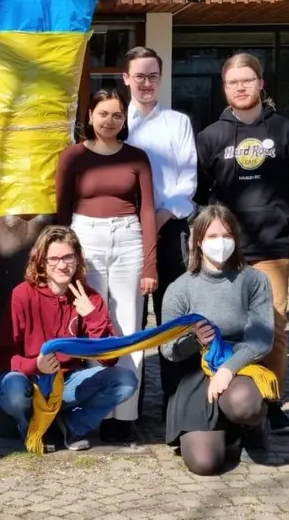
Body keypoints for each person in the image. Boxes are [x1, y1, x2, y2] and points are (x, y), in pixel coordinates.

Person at [194, 52, 289, 435]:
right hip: (223, 250)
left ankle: (271, 403)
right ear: (224, 88)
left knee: (272, 328)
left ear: (261, 83)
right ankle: (223, 399)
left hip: (272, 248)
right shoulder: (210, 137)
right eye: (232, 82)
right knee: (221, 326)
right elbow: (199, 195)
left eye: (247, 80)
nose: (241, 87)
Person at [54, 87, 156, 444]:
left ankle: (124, 416)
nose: (109, 121)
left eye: (117, 115)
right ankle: (97, 405)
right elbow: (62, 212)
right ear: (90, 115)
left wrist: (150, 266)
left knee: (128, 324)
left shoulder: (138, 157)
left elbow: (147, 211)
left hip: (129, 237)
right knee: (94, 321)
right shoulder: (72, 157)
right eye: (103, 113)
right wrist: (61, 260)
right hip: (85, 238)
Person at [0, 227, 139, 452]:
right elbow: (4, 357)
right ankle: (34, 429)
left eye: (68, 257)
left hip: (67, 382)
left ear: (77, 258)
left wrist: (91, 316)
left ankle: (73, 426)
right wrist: (35, 365)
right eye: (53, 259)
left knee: (126, 380)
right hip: (29, 381)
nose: (62, 265)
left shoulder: (89, 297)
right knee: (13, 390)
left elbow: (110, 360)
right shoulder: (22, 294)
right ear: (41, 262)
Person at [160, 206, 275, 475]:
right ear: (198, 241)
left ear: (236, 238)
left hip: (239, 367)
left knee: (245, 403)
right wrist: (193, 339)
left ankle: (252, 424)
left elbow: (261, 339)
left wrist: (227, 369)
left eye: (226, 235)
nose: (220, 242)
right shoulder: (180, 288)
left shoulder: (255, 280)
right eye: (212, 236)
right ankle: (226, 433)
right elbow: (168, 349)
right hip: (194, 375)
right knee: (204, 463)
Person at [123, 46, 199, 409]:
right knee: (129, 317)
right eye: (139, 76)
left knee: (172, 317)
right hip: (122, 233)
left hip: (169, 230)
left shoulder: (178, 123)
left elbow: (188, 182)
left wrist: (162, 217)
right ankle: (127, 406)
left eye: (153, 76)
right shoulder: (113, 121)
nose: (147, 83)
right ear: (126, 79)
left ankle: (177, 404)